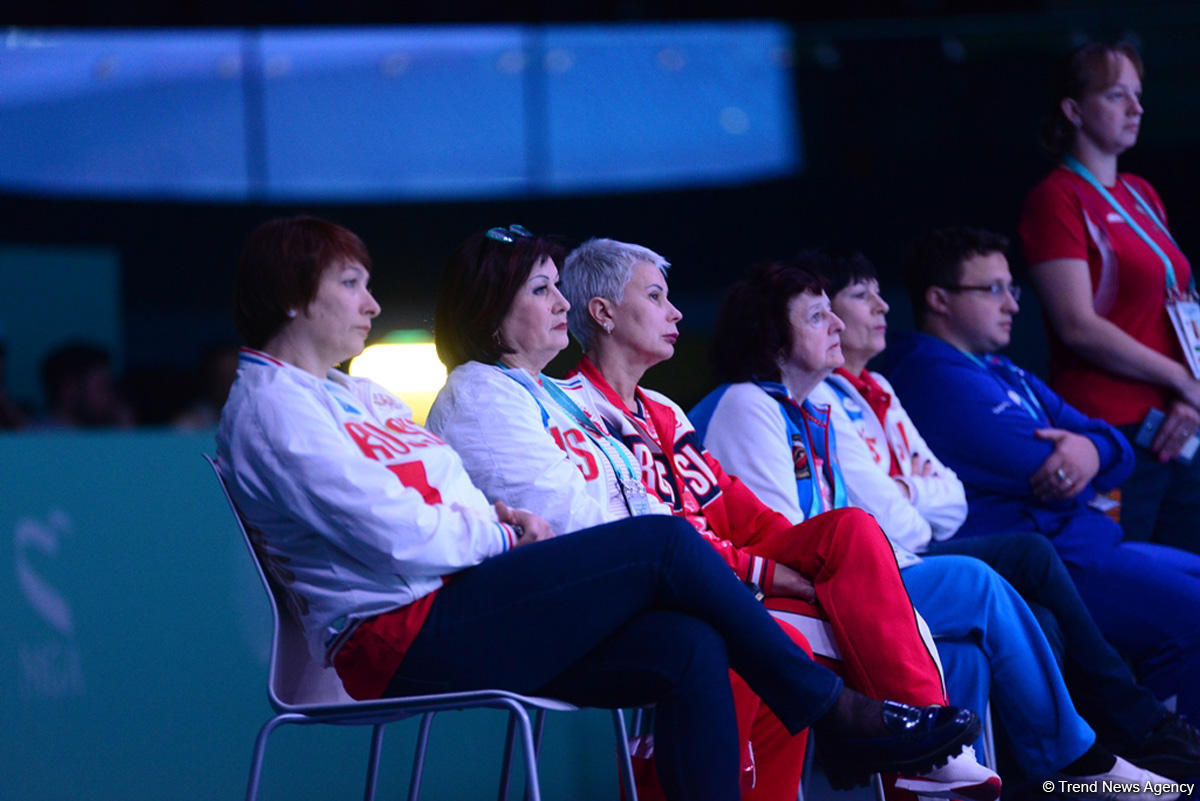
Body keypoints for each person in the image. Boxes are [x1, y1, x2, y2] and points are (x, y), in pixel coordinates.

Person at [215, 216, 978, 801]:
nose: (374, 303)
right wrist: (498, 531)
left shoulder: (359, 394)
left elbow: (445, 501)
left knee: (690, 644)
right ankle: (836, 713)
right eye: (352, 283)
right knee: (664, 546)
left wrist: (492, 523)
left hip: (459, 602)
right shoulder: (272, 408)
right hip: (397, 636)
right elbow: (401, 532)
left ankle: (839, 718)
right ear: (293, 295)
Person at [688, 257, 1177, 798]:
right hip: (792, 606)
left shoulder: (805, 411)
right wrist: (893, 539)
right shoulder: (747, 404)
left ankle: (943, 780)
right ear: (772, 336)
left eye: (833, 312)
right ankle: (1075, 761)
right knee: (978, 581)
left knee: (967, 651)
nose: (837, 325)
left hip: (855, 582)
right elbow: (787, 541)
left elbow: (928, 507)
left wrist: (896, 534)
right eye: (817, 317)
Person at [557, 236, 1001, 801]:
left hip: (733, 583)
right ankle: (919, 750)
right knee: (783, 639)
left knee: (849, 529)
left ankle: (922, 747)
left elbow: (738, 512)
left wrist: (813, 566)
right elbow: (649, 540)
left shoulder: (664, 409)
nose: (676, 313)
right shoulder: (574, 410)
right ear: (603, 313)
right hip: (680, 601)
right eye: (655, 296)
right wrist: (770, 574)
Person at [810, 247, 1200, 778]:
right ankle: (1146, 747)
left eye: (1011, 288)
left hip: (1077, 541)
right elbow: (1026, 467)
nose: (1013, 304)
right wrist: (921, 493)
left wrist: (1091, 450)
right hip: (1046, 550)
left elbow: (1112, 450)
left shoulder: (926, 379)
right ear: (940, 300)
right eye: (992, 288)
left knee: (1050, 606)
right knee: (1165, 606)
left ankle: (1114, 757)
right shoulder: (923, 373)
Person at [1019, 42, 1200, 556]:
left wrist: (1193, 394)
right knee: (1130, 577)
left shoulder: (1142, 192)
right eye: (1117, 95)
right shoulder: (1056, 197)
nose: (1136, 108)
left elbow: (1180, 305)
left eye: (1138, 95)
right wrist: (1182, 380)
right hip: (1111, 431)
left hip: (1181, 422)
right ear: (1074, 110)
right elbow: (1077, 324)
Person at [38, 341, 134, 428]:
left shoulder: (107, 433)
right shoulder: (36, 436)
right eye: (102, 387)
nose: (111, 396)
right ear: (69, 389)